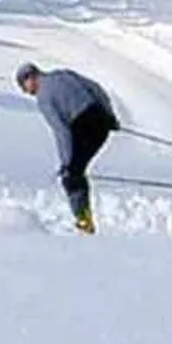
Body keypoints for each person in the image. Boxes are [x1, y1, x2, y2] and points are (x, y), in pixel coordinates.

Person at [15, 61, 118, 233]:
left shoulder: (43, 97)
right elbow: (96, 89)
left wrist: (66, 163)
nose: (28, 92)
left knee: (72, 176)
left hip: (82, 125)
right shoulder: (63, 74)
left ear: (30, 78)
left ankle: (84, 222)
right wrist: (109, 116)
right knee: (77, 170)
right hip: (99, 117)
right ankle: (84, 219)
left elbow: (61, 131)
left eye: (25, 88)